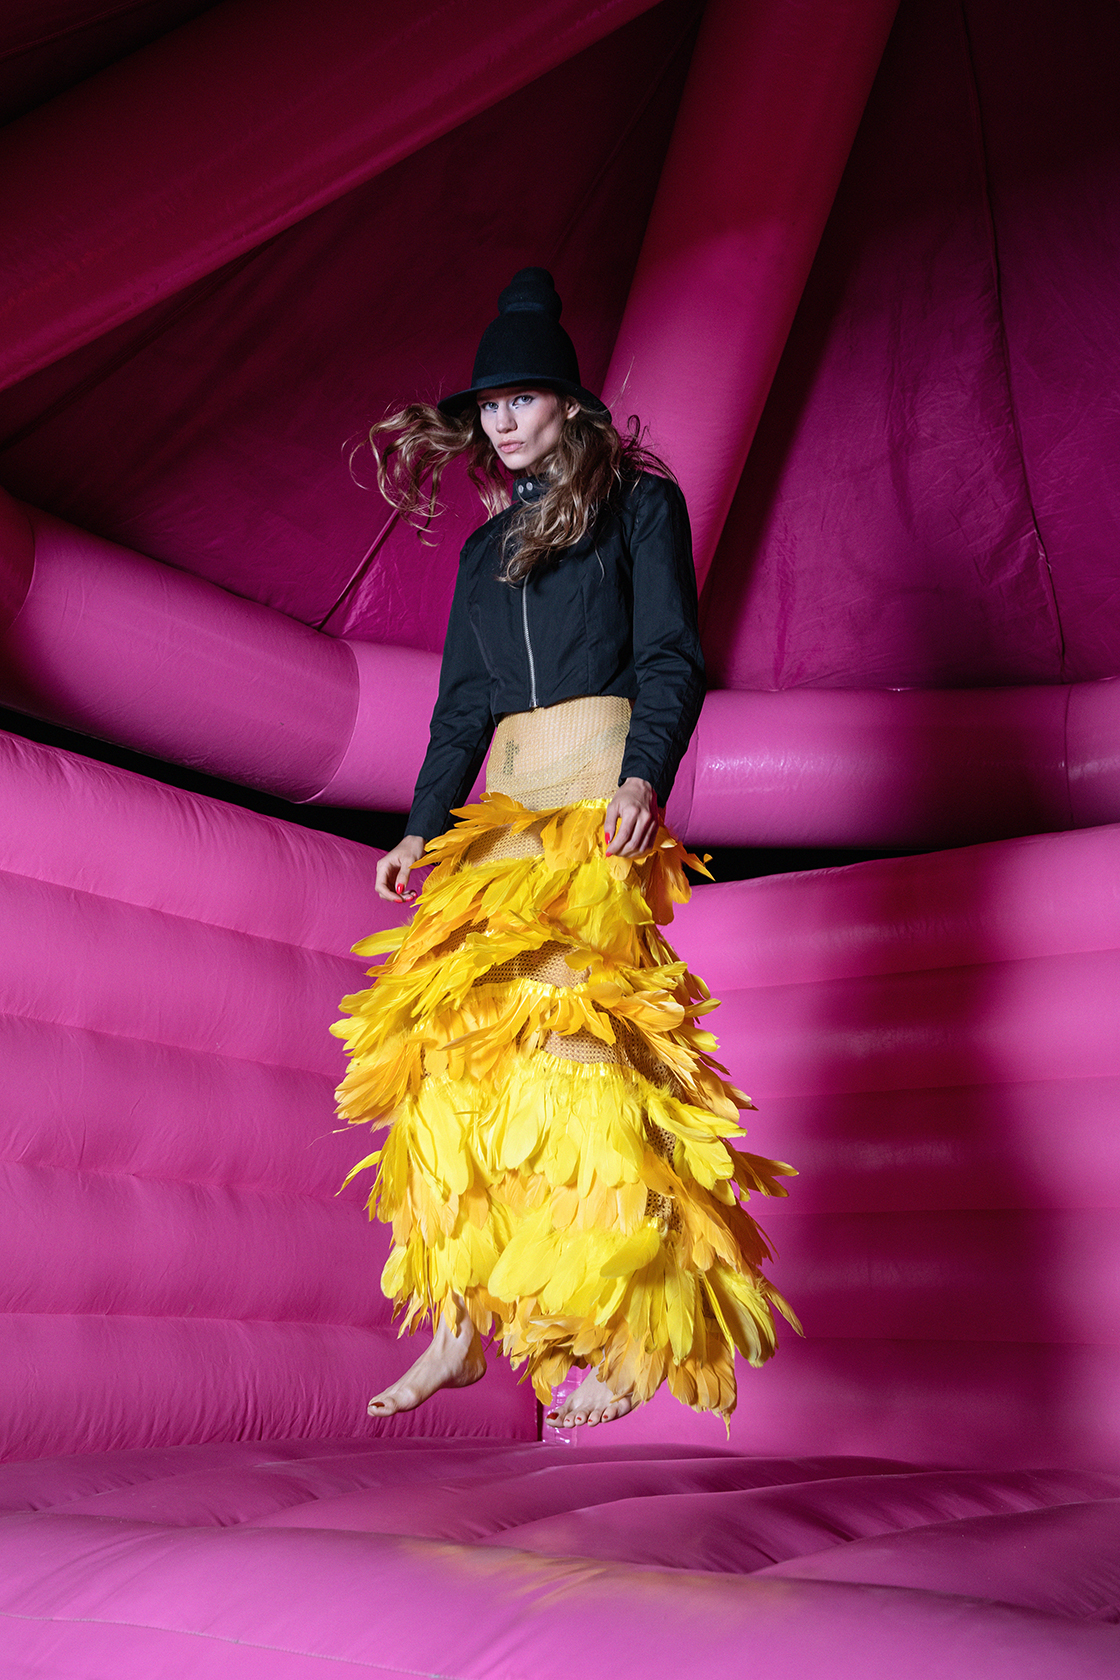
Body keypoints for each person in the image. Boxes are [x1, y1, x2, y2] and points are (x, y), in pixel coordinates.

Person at [332, 268, 796, 1430]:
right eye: (487, 405)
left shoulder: (640, 508)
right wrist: (418, 826)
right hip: (504, 804)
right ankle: (454, 1325)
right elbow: (459, 709)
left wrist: (646, 774)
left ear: (571, 407)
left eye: (521, 399)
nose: (500, 420)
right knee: (447, 1058)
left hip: (594, 794)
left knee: (578, 1054)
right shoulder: (481, 557)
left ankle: (631, 1335)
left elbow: (669, 658)